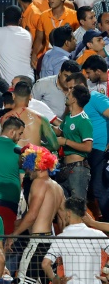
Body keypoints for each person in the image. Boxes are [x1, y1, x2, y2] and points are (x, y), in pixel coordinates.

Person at [7, 144, 64, 283]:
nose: (26, 169)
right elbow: (63, 219)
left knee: (23, 281)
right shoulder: (57, 187)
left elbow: (32, 215)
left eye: (27, 164)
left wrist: (14, 235)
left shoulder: (38, 182)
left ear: (35, 163)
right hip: (51, 242)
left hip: (37, 242)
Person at [65, 72, 109, 220]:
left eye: (72, 87)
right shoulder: (73, 106)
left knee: (98, 188)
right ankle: (97, 220)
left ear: (81, 86)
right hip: (84, 150)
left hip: (99, 148)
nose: (69, 91)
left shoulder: (96, 98)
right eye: (68, 88)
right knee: (89, 190)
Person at [43, 197, 109, 284]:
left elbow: (45, 264)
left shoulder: (61, 239)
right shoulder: (98, 235)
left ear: (68, 213)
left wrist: (54, 279)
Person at [0, 5, 34, 83]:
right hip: (29, 80)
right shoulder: (27, 34)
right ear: (20, 20)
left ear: (4, 18)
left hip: (10, 84)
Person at [32, 0, 79, 68]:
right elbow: (39, 39)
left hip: (68, 60)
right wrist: (34, 55)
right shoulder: (43, 16)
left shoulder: (74, 16)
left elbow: (78, 39)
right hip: (48, 61)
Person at [58, 83, 93, 200]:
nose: (66, 95)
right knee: (63, 208)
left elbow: (88, 147)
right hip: (64, 167)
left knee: (77, 209)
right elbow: (58, 132)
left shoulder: (84, 121)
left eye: (69, 93)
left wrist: (66, 141)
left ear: (73, 99)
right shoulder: (68, 117)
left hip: (78, 170)